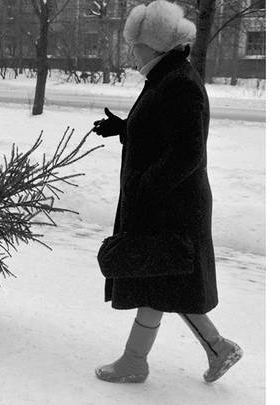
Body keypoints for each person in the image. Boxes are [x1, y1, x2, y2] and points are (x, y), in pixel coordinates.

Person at [92, 0, 242, 383]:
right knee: (162, 283)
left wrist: (146, 188)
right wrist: (124, 128)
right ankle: (213, 348)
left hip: (170, 206)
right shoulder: (166, 76)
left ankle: (137, 362)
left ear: (155, 45)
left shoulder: (178, 84)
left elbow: (187, 151)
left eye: (135, 43)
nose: (131, 50)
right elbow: (159, 134)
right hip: (165, 202)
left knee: (161, 282)